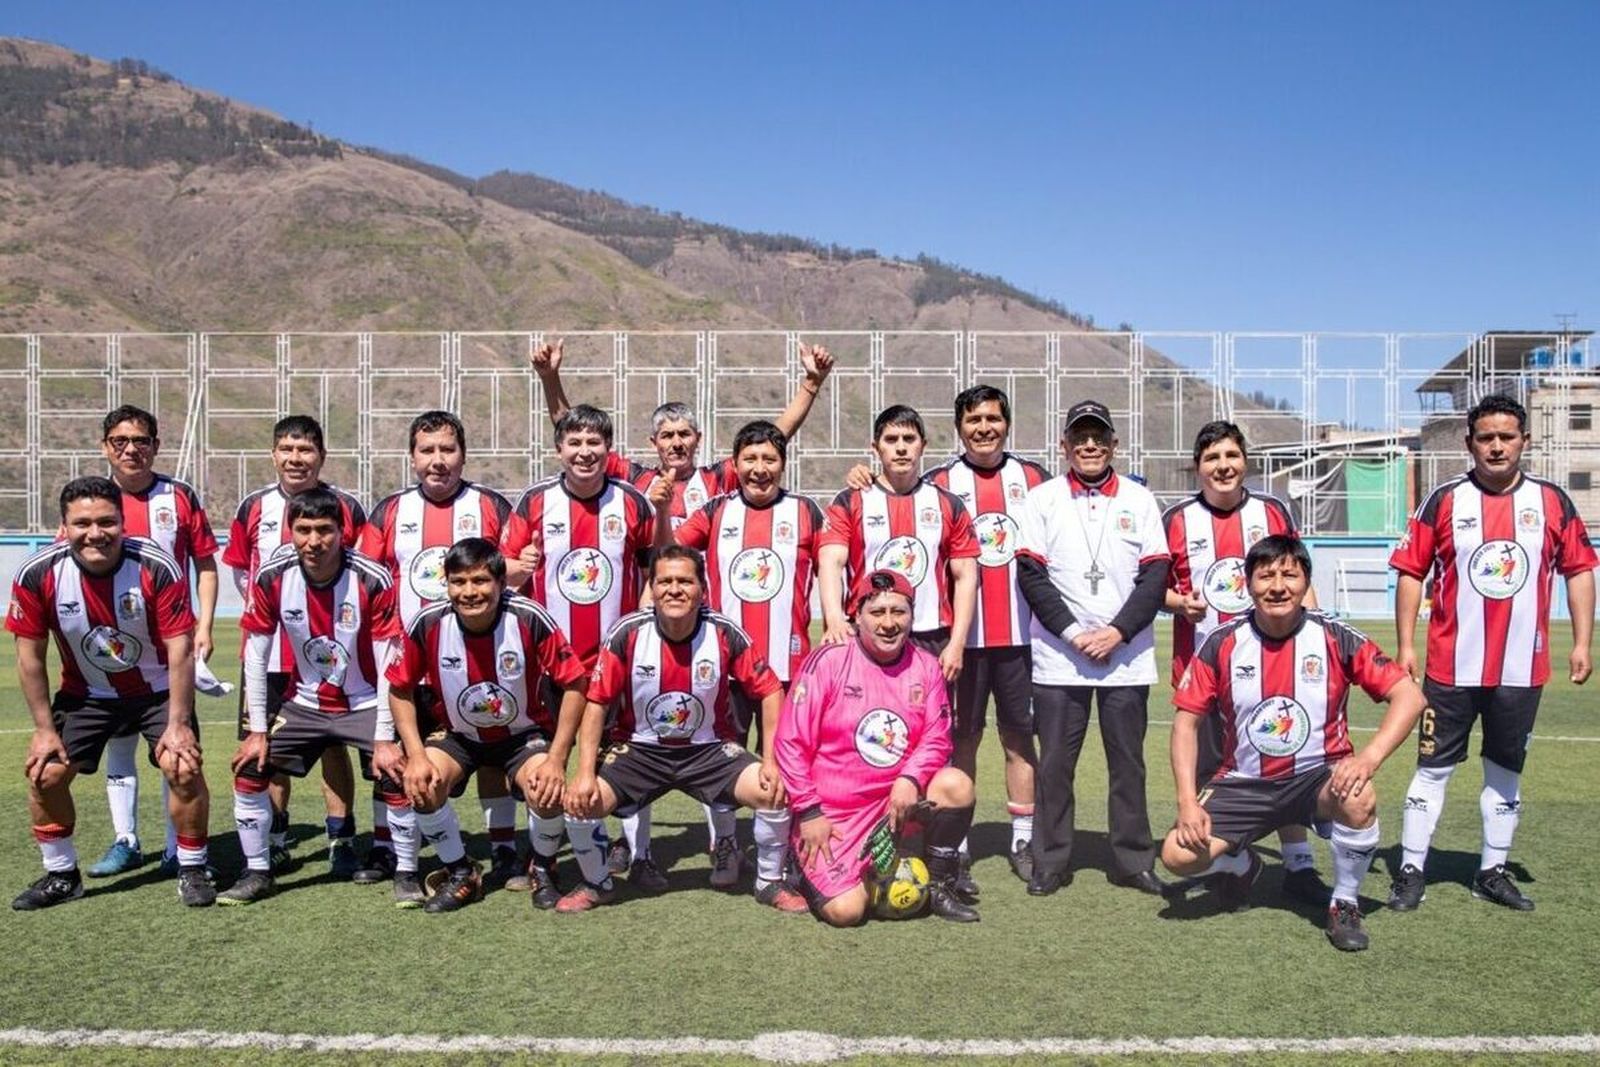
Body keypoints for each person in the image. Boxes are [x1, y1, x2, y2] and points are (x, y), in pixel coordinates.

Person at [530, 337, 835, 877]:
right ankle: (631, 846)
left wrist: (810, 385)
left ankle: (729, 844)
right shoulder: (638, 481)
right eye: (667, 435)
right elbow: (577, 434)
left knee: (727, 747)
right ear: (654, 442)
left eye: (684, 434)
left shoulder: (723, 481)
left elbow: (772, 441)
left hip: (724, 642)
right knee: (642, 736)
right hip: (662, 635)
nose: (676, 443)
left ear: (698, 440)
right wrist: (551, 379)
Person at [1163, 535, 1424, 951]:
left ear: (1305, 583)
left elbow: (1409, 696)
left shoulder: (1335, 637)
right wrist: (1186, 801)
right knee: (1177, 855)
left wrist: (1369, 758)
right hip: (1244, 782)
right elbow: (1185, 724)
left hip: (1315, 779)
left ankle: (1344, 903)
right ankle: (1242, 863)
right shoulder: (1222, 642)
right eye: (1266, 576)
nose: (1278, 586)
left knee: (1359, 795)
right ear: (1248, 585)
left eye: (1290, 575)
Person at [1387, 393, 1596, 912]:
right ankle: (1412, 869)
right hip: (1448, 666)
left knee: (1505, 772)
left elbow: (1579, 571)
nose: (1496, 446)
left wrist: (1584, 642)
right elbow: (1412, 572)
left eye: (1507, 437)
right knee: (1433, 769)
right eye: (1486, 437)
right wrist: (1407, 645)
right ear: (1469, 443)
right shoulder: (1444, 500)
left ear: (1525, 441)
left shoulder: (1551, 502)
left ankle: (1492, 872)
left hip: (1521, 668)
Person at [559, 545, 807, 914]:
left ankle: (769, 882)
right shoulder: (628, 633)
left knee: (773, 791)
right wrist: (583, 772)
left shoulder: (723, 632)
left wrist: (771, 760)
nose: (675, 589)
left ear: (702, 589)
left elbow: (771, 691)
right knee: (581, 804)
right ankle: (598, 884)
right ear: (653, 588)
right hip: (641, 751)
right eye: (665, 581)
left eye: (685, 581)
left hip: (708, 750)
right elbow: (596, 703)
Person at [9, 476, 214, 909]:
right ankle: (63, 874)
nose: (95, 533)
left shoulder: (156, 565)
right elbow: (29, 657)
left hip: (158, 690)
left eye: (106, 521)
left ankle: (193, 868)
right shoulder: (38, 573)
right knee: (44, 773)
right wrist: (44, 730)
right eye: (82, 523)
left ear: (123, 522)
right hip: (87, 694)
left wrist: (178, 724)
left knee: (182, 766)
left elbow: (180, 650)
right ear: (63, 527)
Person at [218, 488, 419, 906]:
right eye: (303, 529)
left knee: (397, 772)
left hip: (364, 701)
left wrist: (384, 737)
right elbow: (255, 656)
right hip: (304, 704)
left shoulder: (370, 578)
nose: (314, 541)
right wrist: (257, 731)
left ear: (343, 532)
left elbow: (388, 663)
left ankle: (406, 872)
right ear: (290, 530)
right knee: (250, 768)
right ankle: (258, 872)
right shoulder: (273, 576)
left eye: (324, 530)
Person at [358, 410, 526, 889]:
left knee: (492, 754)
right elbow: (368, 582)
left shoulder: (491, 505)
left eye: (447, 450)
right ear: (412, 457)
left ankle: (503, 849)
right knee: (394, 758)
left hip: (479, 660)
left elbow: (515, 571)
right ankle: (390, 848)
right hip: (408, 663)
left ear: (463, 455)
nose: (438, 460)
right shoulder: (388, 512)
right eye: (427, 450)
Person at [1162, 420, 1325, 903]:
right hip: (1204, 671)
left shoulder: (1272, 511)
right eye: (1212, 458)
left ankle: (1298, 864)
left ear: (1245, 461)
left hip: (1278, 665)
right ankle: (1234, 861)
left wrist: (1316, 631)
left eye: (1231, 456)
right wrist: (1177, 603)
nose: (1223, 466)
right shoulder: (1175, 519)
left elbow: (1298, 573)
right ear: (1197, 468)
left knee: (1284, 760)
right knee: (1213, 774)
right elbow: (1152, 587)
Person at [1015, 400, 1171, 898]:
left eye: (1098, 437)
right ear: (1064, 445)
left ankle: (1132, 858)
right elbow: (1031, 576)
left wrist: (1118, 632)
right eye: (1079, 437)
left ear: (1113, 444)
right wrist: (1073, 634)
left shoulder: (1140, 500)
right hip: (1061, 657)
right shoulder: (1041, 500)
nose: (1089, 445)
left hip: (1125, 657)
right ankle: (1051, 859)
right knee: (1056, 763)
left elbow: (1156, 575)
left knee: (1128, 763)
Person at [499, 404, 659, 886]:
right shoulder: (533, 503)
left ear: (608, 451)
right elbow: (499, 571)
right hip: (552, 665)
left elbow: (655, 569)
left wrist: (638, 627)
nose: (584, 452)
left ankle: (636, 851)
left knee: (623, 758)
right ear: (559, 449)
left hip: (616, 663)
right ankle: (543, 858)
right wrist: (518, 567)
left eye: (594, 444)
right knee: (550, 760)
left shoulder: (633, 503)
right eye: (575, 443)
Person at [385, 538, 590, 913]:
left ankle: (542, 867)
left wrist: (557, 757)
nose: (469, 592)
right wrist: (414, 754)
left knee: (545, 787)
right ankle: (462, 872)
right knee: (421, 785)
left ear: (500, 582)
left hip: (522, 735)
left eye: (480, 581)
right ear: (445, 584)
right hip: (460, 736)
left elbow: (575, 682)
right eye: (458, 582)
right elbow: (399, 688)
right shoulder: (428, 623)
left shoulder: (528, 617)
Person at [775, 570, 980, 926]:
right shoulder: (828, 662)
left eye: (898, 612)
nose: (889, 623)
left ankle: (939, 883)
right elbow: (790, 742)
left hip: (896, 806)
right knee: (847, 912)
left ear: (912, 617)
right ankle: (798, 865)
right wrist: (809, 813)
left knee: (956, 785)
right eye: (878, 612)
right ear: (857, 616)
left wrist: (910, 779)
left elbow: (937, 737)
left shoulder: (928, 668)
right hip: (834, 814)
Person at [674, 420, 826, 888]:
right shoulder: (715, 511)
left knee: (788, 761)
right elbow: (668, 552)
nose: (760, 469)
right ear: (734, 464)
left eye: (769, 459)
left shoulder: (805, 513)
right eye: (750, 459)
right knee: (723, 761)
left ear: (783, 463)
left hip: (789, 666)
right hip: (725, 669)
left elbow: (836, 569)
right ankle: (724, 844)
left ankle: (785, 852)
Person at [222, 415, 367, 875]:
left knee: (332, 744)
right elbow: (243, 575)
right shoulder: (253, 508)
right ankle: (277, 835)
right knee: (267, 747)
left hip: (329, 652)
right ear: (273, 454)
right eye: (286, 449)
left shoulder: (345, 506)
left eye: (305, 450)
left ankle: (340, 836)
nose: (295, 458)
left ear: (321, 456)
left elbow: (358, 572)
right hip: (269, 652)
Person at [88, 404, 223, 879]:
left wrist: (204, 625)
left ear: (156, 446)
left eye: (140, 441)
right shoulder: (91, 502)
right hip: (113, 645)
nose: (131, 449)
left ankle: (174, 848)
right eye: (120, 441)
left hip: (171, 644)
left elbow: (206, 565)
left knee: (175, 744)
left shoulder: (179, 497)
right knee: (119, 743)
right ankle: (125, 840)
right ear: (106, 447)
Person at [925, 386, 1051, 883]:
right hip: (960, 641)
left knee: (1020, 737)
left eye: (993, 419)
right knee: (962, 739)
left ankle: (1023, 837)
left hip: (1022, 637)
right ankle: (956, 841)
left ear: (1007, 423)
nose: (984, 428)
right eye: (974, 419)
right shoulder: (937, 483)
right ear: (958, 427)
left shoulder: (1036, 480)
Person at [818, 404, 980, 670]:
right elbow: (830, 564)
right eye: (891, 440)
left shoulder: (948, 504)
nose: (901, 448)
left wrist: (957, 643)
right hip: (869, 631)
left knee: (930, 713)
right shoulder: (849, 500)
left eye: (909, 439)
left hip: (931, 636)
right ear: (876, 447)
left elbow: (965, 577)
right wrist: (835, 618)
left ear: (923, 445)